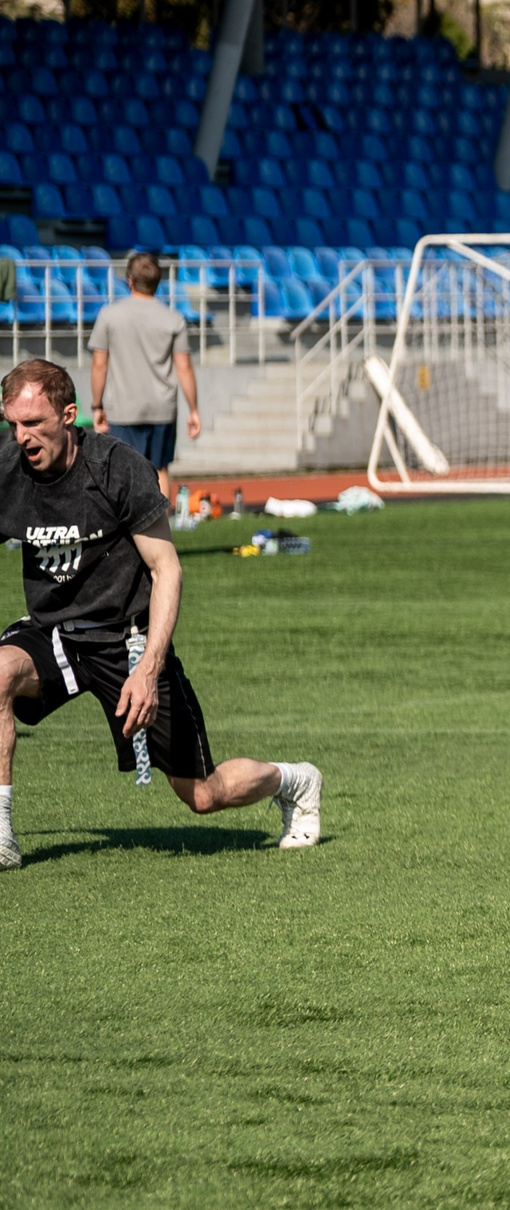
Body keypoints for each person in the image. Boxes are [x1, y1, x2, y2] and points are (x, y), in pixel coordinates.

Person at [0, 359, 319, 866]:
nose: (22, 437)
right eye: (12, 424)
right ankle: (1, 837)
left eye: (34, 423)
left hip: (125, 641)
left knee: (202, 794)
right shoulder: (8, 471)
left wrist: (148, 669)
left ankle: (294, 780)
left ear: (69, 415)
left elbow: (166, 569)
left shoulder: (115, 469)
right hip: (55, 636)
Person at [86, 251, 200, 504]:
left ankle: (127, 538)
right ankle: (161, 536)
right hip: (162, 408)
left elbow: (99, 364)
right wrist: (194, 410)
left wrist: (97, 406)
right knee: (160, 470)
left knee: (121, 471)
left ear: (129, 280)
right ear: (158, 282)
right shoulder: (174, 319)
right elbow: (185, 368)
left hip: (123, 409)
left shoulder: (109, 315)